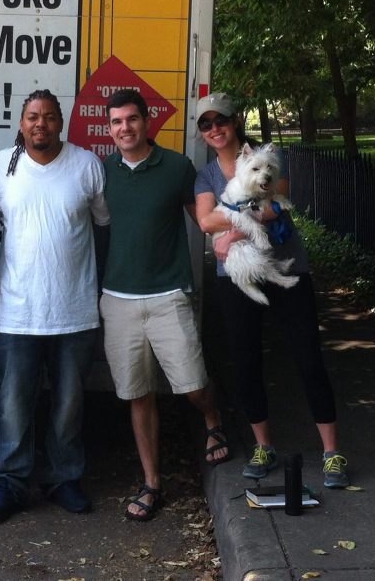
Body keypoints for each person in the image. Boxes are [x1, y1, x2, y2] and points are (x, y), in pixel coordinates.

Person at [193, 91, 350, 489]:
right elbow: (206, 222)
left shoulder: (266, 157)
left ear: (234, 121)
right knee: (245, 362)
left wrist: (234, 228)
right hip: (237, 277)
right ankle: (264, 446)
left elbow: (277, 202)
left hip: (288, 267)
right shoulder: (206, 176)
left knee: (308, 358)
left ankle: (332, 451)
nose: (214, 129)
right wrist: (244, 220)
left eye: (220, 120)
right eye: (206, 124)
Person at [0, 90, 110, 523]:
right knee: (13, 404)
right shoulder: (2, 166)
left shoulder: (86, 165)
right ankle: (11, 482)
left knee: (69, 403)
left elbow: (104, 227)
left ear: (61, 123)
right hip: (18, 311)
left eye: (50, 117)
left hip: (75, 310)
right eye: (33, 116)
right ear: (21, 123)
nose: (41, 124)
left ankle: (63, 479)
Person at [100, 89, 229, 523]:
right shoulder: (103, 171)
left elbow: (205, 220)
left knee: (192, 386)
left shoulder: (177, 167)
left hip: (169, 295)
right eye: (116, 122)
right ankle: (152, 483)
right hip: (118, 299)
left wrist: (241, 242)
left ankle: (212, 417)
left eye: (131, 119)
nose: (125, 128)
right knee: (138, 395)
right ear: (110, 128)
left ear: (146, 120)